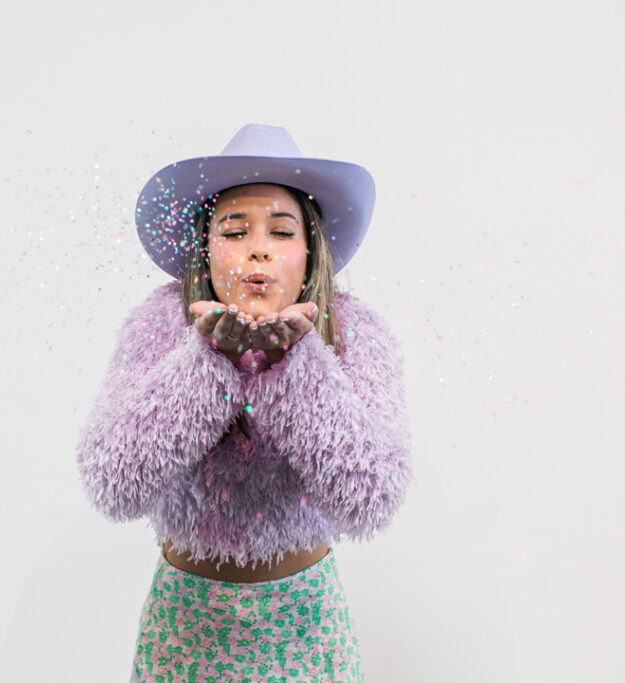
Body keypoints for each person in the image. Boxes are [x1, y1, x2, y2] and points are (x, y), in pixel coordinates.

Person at [75, 124, 413, 682]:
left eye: (281, 231)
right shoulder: (160, 323)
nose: (258, 246)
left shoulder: (355, 331)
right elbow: (113, 482)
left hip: (305, 628)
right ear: (205, 249)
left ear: (311, 251)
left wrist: (292, 369)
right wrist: (210, 360)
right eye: (234, 231)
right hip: (187, 627)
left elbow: (371, 499)